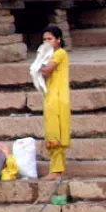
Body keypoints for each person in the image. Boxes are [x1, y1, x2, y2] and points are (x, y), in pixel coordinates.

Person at [39, 25, 70, 181]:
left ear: (58, 40)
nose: (46, 42)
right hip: (51, 97)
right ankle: (57, 169)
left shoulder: (59, 53)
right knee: (52, 132)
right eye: (44, 39)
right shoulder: (50, 54)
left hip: (57, 99)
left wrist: (40, 61)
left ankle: (56, 171)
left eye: (50, 39)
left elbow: (45, 71)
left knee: (55, 133)